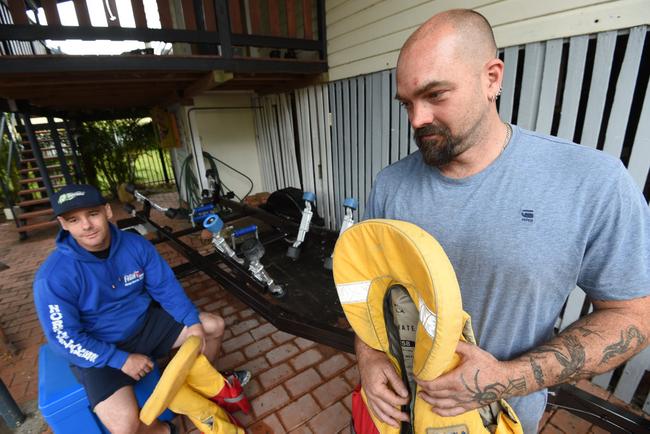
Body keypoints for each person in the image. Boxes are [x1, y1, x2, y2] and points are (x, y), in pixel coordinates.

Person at [359, 9, 650, 433]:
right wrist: (369, 358)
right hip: (403, 415)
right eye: (407, 103)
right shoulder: (390, 185)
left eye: (435, 95)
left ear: (492, 78)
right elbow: (371, 293)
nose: (416, 119)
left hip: (501, 422)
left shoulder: (592, 182)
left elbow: (633, 316)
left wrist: (505, 379)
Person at [34, 184, 250, 434]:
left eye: (92, 214)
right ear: (63, 224)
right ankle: (165, 429)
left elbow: (165, 288)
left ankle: (194, 385)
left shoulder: (135, 245)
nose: (86, 225)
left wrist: (192, 322)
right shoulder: (53, 276)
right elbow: (65, 339)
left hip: (145, 324)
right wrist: (120, 360)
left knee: (213, 326)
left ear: (107, 211)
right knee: (125, 427)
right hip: (100, 346)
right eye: (74, 219)